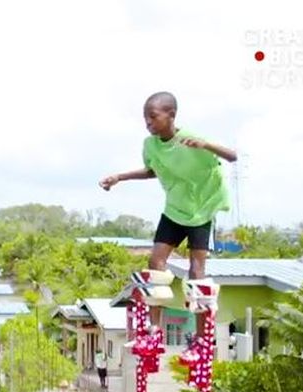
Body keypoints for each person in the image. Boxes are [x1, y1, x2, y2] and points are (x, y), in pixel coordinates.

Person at [99, 91, 236, 356]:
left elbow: (233, 156)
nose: (147, 123)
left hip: (202, 209)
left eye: (152, 117)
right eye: (145, 118)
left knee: (196, 271)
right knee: (155, 262)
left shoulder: (191, 137)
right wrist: (120, 177)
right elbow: (153, 170)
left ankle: (199, 340)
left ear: (171, 115)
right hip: (174, 208)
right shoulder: (150, 145)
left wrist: (204, 145)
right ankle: (154, 332)